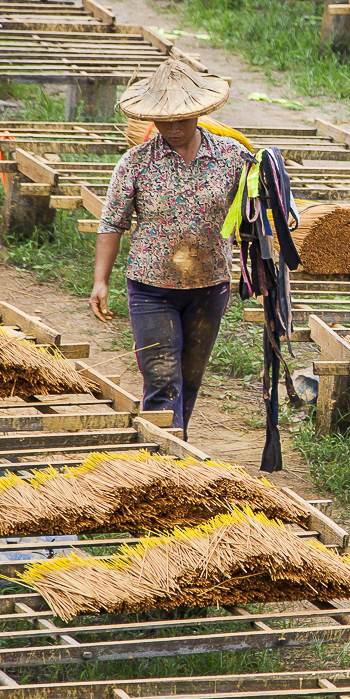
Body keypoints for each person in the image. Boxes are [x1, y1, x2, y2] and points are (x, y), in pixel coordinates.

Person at [90, 60, 248, 433]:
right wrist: (101, 280)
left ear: (198, 113)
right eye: (164, 121)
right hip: (151, 288)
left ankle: (175, 448)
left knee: (190, 380)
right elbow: (112, 221)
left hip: (209, 288)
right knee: (162, 381)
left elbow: (256, 216)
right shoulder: (136, 162)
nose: (173, 129)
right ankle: (164, 459)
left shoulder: (231, 158)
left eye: (182, 119)